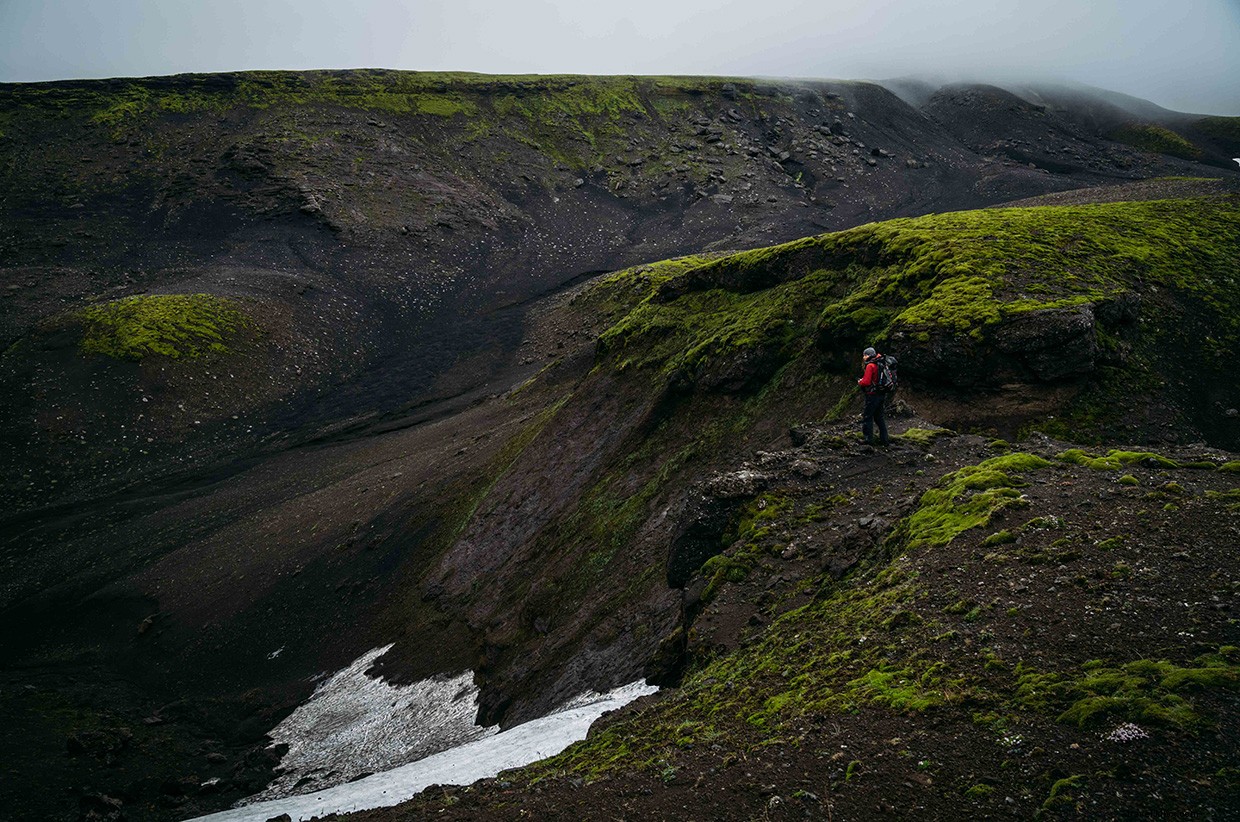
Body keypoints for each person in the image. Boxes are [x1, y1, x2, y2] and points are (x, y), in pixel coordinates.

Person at [857, 346, 889, 446]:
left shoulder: (870, 366)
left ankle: (868, 440)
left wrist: (860, 382)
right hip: (881, 393)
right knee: (879, 417)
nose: (863, 357)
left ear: (868, 355)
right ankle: (885, 440)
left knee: (867, 416)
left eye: (864, 355)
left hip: (872, 395)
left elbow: (866, 382)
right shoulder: (881, 363)